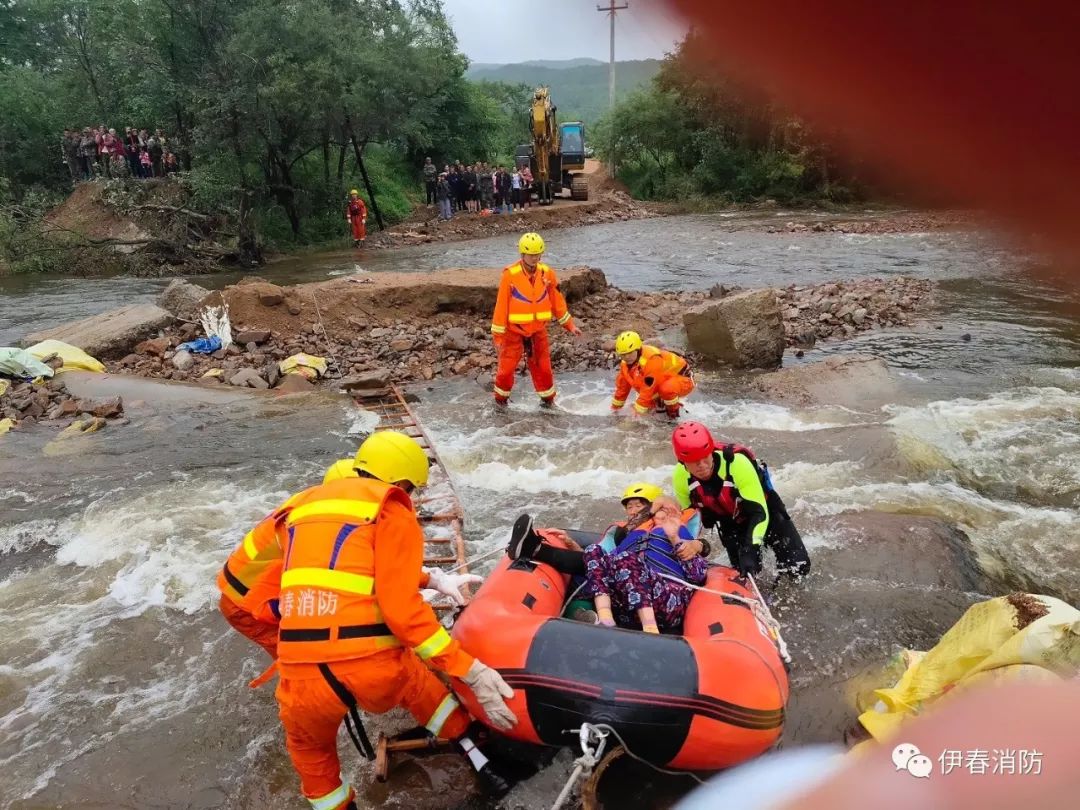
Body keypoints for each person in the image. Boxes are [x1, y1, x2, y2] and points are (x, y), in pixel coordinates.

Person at [232, 433, 516, 809]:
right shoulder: (388, 508)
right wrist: (468, 668)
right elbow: (402, 612)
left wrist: (280, 637)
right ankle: (478, 756)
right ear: (399, 484)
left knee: (310, 752)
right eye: (412, 490)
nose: (412, 498)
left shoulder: (298, 509)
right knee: (415, 681)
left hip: (304, 676)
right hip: (372, 668)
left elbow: (243, 588)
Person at [506, 486, 709, 633]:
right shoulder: (628, 538)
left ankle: (650, 631)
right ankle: (534, 549)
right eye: (630, 507)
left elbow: (697, 574)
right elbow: (599, 568)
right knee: (596, 552)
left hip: (665, 601)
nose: (634, 511)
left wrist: (675, 538)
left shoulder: (677, 531)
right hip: (625, 605)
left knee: (626, 560)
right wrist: (573, 545)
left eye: (640, 505)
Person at [671, 422, 811, 580]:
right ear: (683, 462)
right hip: (730, 522)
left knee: (798, 566)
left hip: (764, 513)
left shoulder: (737, 464)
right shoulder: (681, 478)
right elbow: (691, 521)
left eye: (705, 458)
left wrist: (750, 548)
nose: (702, 466)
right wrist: (694, 546)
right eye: (694, 462)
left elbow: (759, 512)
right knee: (744, 573)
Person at [490, 232, 582, 407]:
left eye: (537, 254)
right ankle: (500, 402)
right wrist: (498, 336)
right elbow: (501, 305)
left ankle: (548, 402)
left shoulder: (547, 273)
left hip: (538, 331)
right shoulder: (510, 275)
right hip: (513, 332)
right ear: (522, 254)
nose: (534, 258)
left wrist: (569, 325)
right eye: (531, 254)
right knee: (505, 370)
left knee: (544, 369)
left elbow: (557, 301)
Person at [611, 330, 695, 418]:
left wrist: (634, 416)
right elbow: (622, 390)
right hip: (662, 378)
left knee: (666, 389)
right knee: (640, 388)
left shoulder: (652, 359)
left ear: (638, 349)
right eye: (623, 354)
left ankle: (673, 414)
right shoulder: (625, 364)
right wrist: (614, 411)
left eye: (630, 353)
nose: (627, 357)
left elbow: (648, 389)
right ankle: (659, 405)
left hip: (684, 378)